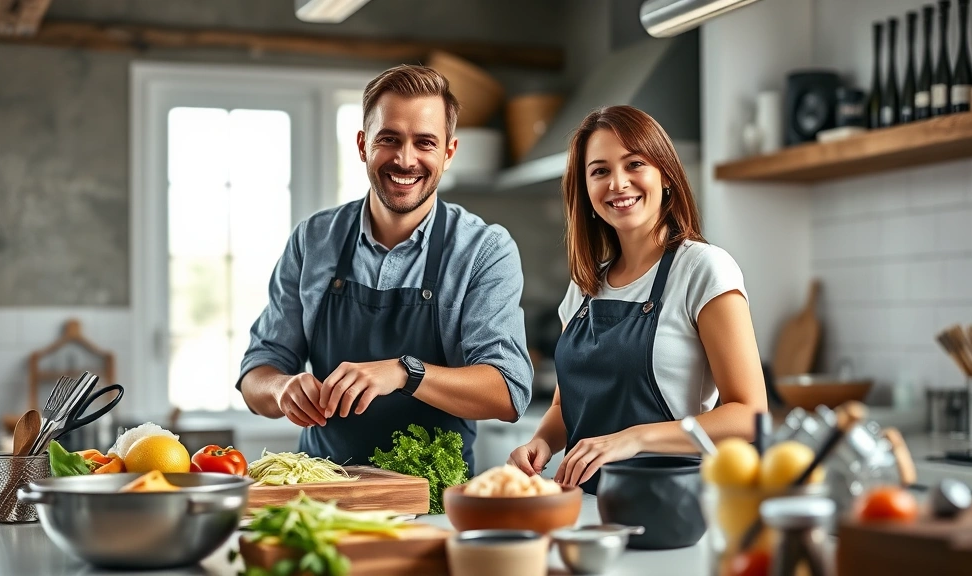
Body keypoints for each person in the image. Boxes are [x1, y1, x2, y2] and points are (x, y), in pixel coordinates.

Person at [237, 65, 533, 471]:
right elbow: (257, 373)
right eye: (389, 139)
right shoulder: (314, 240)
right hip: (323, 491)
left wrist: (404, 373)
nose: (405, 159)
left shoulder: (484, 250)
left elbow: (508, 391)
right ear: (363, 145)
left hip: (431, 499)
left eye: (425, 142)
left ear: (448, 153)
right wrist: (281, 388)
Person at [508, 105, 767, 493]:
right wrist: (541, 442)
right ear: (586, 190)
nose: (617, 183)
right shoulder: (584, 285)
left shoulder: (703, 269)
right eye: (599, 171)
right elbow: (565, 408)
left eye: (634, 164)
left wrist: (634, 438)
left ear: (665, 176)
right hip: (586, 506)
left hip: (670, 504)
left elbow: (750, 415)